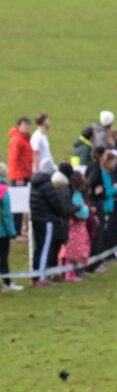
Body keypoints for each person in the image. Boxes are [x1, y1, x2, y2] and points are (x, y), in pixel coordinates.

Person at [29, 168, 70, 285]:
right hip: (46, 221)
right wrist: (63, 214)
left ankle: (35, 276)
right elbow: (56, 204)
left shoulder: (34, 185)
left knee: (38, 248)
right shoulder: (48, 186)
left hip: (36, 219)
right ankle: (41, 277)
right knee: (44, 249)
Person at [6, 117, 32, 239]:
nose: (27, 127)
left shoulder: (25, 139)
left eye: (28, 125)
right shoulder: (17, 140)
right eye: (24, 125)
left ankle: (19, 229)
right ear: (19, 126)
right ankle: (15, 232)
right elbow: (13, 160)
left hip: (26, 175)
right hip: (20, 177)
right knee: (18, 205)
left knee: (22, 204)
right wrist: (18, 177)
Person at [0, 162, 22, 291]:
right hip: (2, 232)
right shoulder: (4, 191)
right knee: (3, 258)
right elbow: (7, 216)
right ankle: (7, 283)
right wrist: (12, 232)